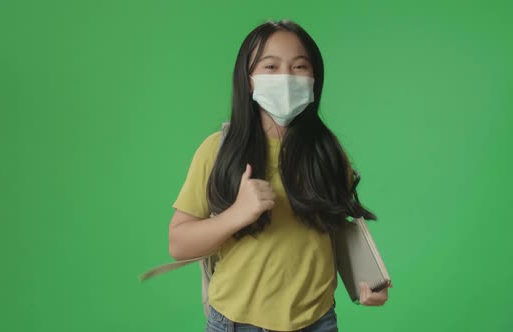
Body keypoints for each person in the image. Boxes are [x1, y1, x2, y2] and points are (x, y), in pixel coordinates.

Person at [168, 19, 392, 332]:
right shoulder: (217, 151)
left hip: (317, 322)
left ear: (314, 78)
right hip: (236, 323)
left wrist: (367, 279)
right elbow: (178, 243)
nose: (286, 77)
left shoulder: (327, 151)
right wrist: (236, 214)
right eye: (271, 66)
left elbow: (337, 227)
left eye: (300, 66)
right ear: (248, 80)